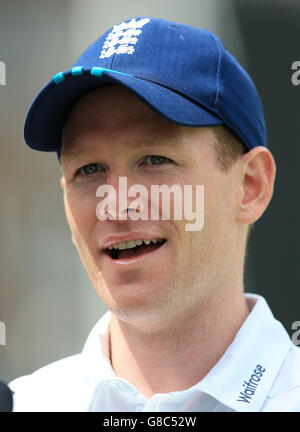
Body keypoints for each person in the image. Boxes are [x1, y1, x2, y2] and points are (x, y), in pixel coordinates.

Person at [9, 16, 300, 412]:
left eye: (154, 159)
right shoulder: (25, 403)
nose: (115, 203)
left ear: (251, 186)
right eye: (88, 170)